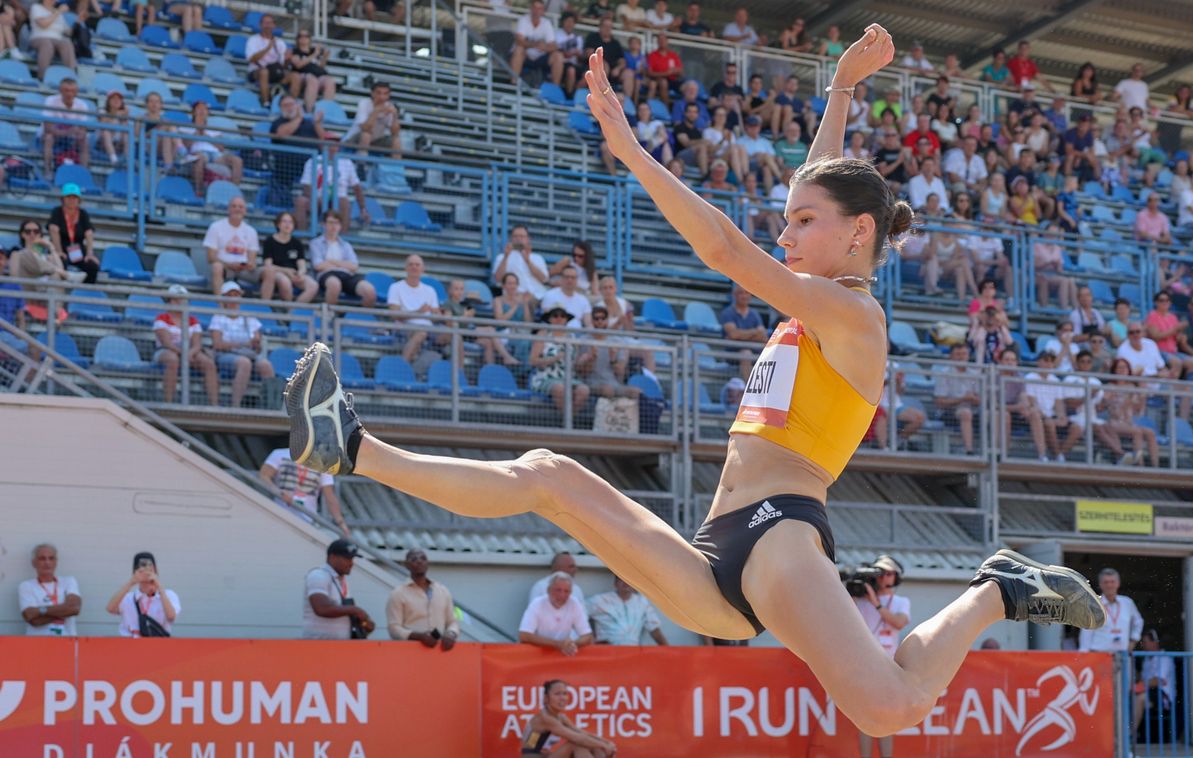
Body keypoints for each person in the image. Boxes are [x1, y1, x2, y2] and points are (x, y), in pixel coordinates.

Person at [281, 27, 1105, 737]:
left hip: (781, 533)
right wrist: (843, 89)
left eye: (800, 224)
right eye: (784, 221)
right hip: (717, 557)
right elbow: (820, 180)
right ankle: (350, 447)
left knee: (886, 710)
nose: (783, 233)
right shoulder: (820, 293)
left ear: (858, 234)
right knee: (547, 478)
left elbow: (723, 252)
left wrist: (633, 151)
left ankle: (996, 594)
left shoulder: (856, 321)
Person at [855, 555, 911, 758]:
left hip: (889, 665)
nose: (884, 577)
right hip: (865, 666)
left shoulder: (901, 601)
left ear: (896, 577)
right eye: (881, 573)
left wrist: (876, 603)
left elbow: (899, 622)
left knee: (887, 717)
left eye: (889, 573)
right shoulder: (861, 599)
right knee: (865, 717)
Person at [210, 281, 276, 407]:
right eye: (230, 295)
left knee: (266, 365)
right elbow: (218, 344)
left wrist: (257, 344)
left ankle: (270, 406)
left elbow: (256, 345)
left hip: (247, 354)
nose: (234, 298)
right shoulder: (218, 318)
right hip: (225, 356)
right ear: (224, 298)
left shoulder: (249, 318)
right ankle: (236, 406)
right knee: (244, 363)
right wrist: (243, 344)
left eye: (236, 294)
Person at [259, 446, 348, 535]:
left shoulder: (322, 462)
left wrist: (341, 522)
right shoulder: (279, 454)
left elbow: (330, 496)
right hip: (279, 517)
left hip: (307, 521)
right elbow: (263, 476)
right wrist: (279, 492)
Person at [154, 285, 220, 405]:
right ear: (169, 301)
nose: (179, 302)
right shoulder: (161, 318)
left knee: (208, 364)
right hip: (166, 351)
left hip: (188, 352)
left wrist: (190, 353)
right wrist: (184, 353)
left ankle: (214, 404)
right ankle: (169, 402)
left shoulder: (193, 320)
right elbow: (166, 343)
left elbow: (197, 343)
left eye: (182, 299)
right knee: (172, 360)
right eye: (176, 299)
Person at [521, 680, 619, 757]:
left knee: (594, 746)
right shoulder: (545, 718)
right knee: (576, 744)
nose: (562, 698)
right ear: (546, 698)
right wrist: (603, 745)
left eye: (565, 694)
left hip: (546, 755)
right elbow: (576, 738)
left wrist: (606, 742)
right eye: (557, 694)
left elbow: (582, 733)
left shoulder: (560, 717)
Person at [387, 549, 460, 650]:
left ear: (427, 563)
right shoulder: (398, 593)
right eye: (414, 559)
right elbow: (393, 628)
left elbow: (452, 622)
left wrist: (451, 634)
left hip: (440, 652)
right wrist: (419, 637)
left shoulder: (443, 591)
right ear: (406, 565)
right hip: (410, 653)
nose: (419, 561)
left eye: (423, 558)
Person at [303, 538, 375, 640]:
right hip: (318, 647)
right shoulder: (318, 575)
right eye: (347, 559)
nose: (351, 563)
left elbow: (343, 612)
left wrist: (364, 623)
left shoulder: (340, 581)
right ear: (332, 557)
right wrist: (355, 610)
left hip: (339, 647)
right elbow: (321, 608)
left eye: (352, 559)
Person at [296, 138, 369, 233]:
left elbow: (357, 187)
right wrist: (316, 197)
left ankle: (342, 240)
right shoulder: (312, 161)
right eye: (329, 144)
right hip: (316, 199)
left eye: (335, 145)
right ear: (322, 147)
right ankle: (302, 236)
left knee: (345, 202)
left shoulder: (347, 163)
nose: (332, 148)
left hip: (338, 200)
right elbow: (306, 185)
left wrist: (363, 208)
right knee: (300, 201)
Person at [106, 552, 181, 637]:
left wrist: (159, 587)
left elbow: (171, 617)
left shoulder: (168, 595)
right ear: (135, 571)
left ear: (156, 570)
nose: (146, 570)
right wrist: (131, 582)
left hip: (158, 645)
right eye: (142, 566)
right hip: (129, 645)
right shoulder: (128, 598)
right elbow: (110, 609)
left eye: (150, 566)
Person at [310, 211, 377, 306]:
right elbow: (318, 265)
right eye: (330, 222)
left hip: (346, 275)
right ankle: (329, 317)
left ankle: (360, 316)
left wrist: (332, 261)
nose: (334, 226)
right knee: (334, 285)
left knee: (369, 290)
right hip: (326, 274)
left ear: (340, 226)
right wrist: (343, 264)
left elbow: (354, 266)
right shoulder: (316, 243)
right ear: (323, 224)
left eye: (336, 223)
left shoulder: (346, 245)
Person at [521, 572, 594, 655]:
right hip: (539, 654)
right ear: (548, 590)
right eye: (558, 590)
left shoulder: (574, 603)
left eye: (566, 591)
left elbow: (588, 636)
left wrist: (572, 644)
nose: (562, 595)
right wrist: (557, 644)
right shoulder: (537, 604)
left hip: (564, 654)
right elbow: (524, 635)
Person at [19, 543, 82, 636]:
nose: (47, 562)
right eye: (42, 558)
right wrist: (64, 610)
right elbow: (32, 619)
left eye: (51, 558)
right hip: (37, 644)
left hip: (67, 642)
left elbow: (74, 609)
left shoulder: (68, 581)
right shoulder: (26, 586)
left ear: (56, 561)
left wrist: (40, 611)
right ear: (34, 563)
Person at [587, 575, 669, 645]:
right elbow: (578, 616)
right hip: (606, 652)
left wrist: (669, 651)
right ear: (615, 583)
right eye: (621, 579)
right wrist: (589, 638)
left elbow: (655, 630)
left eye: (628, 579)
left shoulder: (642, 602)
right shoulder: (599, 600)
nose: (625, 582)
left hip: (632, 653)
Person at [205, 196, 261, 294]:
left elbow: (252, 259)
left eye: (240, 207)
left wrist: (249, 265)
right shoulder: (216, 227)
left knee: (269, 273)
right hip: (224, 267)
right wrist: (228, 265)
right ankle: (220, 304)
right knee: (216, 267)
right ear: (228, 209)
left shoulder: (251, 231)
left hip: (244, 270)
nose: (237, 209)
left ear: (245, 211)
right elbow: (211, 257)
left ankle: (265, 307)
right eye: (234, 206)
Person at [1078, 568, 1142, 653]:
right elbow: (1086, 632)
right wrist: (1084, 654)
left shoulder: (1127, 603)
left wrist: (1133, 641)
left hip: (1122, 656)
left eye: (1112, 582)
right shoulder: (1094, 604)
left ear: (1118, 583)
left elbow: (1138, 622)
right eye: (1106, 582)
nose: (1109, 585)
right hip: (1099, 655)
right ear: (1100, 584)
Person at [260, 211, 319, 303]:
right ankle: (288, 308)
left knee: (313, 285)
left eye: (290, 222)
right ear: (278, 224)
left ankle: (295, 310)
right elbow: (268, 266)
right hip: (277, 272)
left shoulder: (296, 243)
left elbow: (302, 265)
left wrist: (300, 273)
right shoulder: (270, 241)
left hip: (294, 273)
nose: (287, 224)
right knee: (285, 282)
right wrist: (286, 271)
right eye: (284, 221)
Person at [47, 183, 98, 284]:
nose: (72, 200)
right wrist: (58, 251)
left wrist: (89, 254)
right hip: (61, 248)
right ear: (63, 199)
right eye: (68, 197)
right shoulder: (57, 211)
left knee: (92, 265)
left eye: (74, 197)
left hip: (78, 250)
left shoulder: (83, 213)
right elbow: (53, 229)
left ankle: (85, 293)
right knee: (59, 260)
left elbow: (89, 233)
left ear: (79, 200)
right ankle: (62, 291)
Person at [1134, 629, 1177, 741]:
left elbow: (1157, 681)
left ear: (1155, 642)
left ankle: (1130, 733)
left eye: (1145, 642)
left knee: (1140, 698)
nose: (1143, 645)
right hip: (1150, 692)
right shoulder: (1147, 659)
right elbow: (1143, 679)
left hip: (1163, 696)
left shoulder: (1164, 658)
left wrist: (1137, 687)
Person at [245, 15, 297, 102]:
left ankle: (291, 103)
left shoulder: (280, 42)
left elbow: (283, 65)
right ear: (260, 25)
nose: (268, 25)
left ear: (274, 25)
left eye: (270, 23)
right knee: (264, 72)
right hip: (257, 71)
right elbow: (251, 59)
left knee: (295, 76)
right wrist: (267, 48)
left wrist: (288, 59)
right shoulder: (253, 40)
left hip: (275, 72)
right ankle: (266, 102)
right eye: (265, 23)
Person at [343, 81, 402, 158]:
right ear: (372, 93)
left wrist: (395, 116)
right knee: (366, 134)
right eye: (379, 93)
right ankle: (361, 164)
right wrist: (376, 111)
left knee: (396, 140)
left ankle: (397, 168)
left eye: (385, 94)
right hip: (355, 139)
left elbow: (395, 133)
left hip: (376, 140)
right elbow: (365, 128)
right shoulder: (364, 103)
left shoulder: (389, 106)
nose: (382, 97)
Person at [493, 224, 550, 301]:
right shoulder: (501, 257)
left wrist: (528, 261)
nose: (518, 239)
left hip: (539, 296)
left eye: (522, 236)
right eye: (515, 236)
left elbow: (544, 279)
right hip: (515, 298)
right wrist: (506, 257)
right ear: (511, 238)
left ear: (528, 239)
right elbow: (497, 279)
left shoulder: (537, 257)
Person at [287, 29, 336, 112]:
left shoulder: (314, 51)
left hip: (318, 75)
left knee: (330, 81)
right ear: (297, 39)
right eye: (300, 36)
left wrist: (324, 58)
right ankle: (309, 110)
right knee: (312, 79)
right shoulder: (294, 51)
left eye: (306, 36)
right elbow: (298, 65)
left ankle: (326, 112)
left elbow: (321, 67)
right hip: (302, 75)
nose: (303, 38)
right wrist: (314, 55)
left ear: (310, 39)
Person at [510, 1, 558, 81]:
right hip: (525, 56)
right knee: (519, 50)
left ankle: (555, 89)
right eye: (535, 8)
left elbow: (553, 46)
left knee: (558, 56)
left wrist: (544, 48)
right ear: (531, 9)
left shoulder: (546, 23)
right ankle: (514, 83)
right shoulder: (524, 20)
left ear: (543, 11)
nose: (537, 11)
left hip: (540, 57)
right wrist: (535, 44)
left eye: (539, 8)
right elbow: (519, 41)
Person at [29, 0, 75, 81]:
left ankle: (71, 76)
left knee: (67, 42)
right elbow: (43, 24)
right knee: (47, 44)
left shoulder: (57, 12)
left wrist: (78, 22)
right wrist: (59, 12)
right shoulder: (36, 8)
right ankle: (42, 77)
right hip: (40, 37)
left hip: (57, 38)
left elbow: (67, 32)